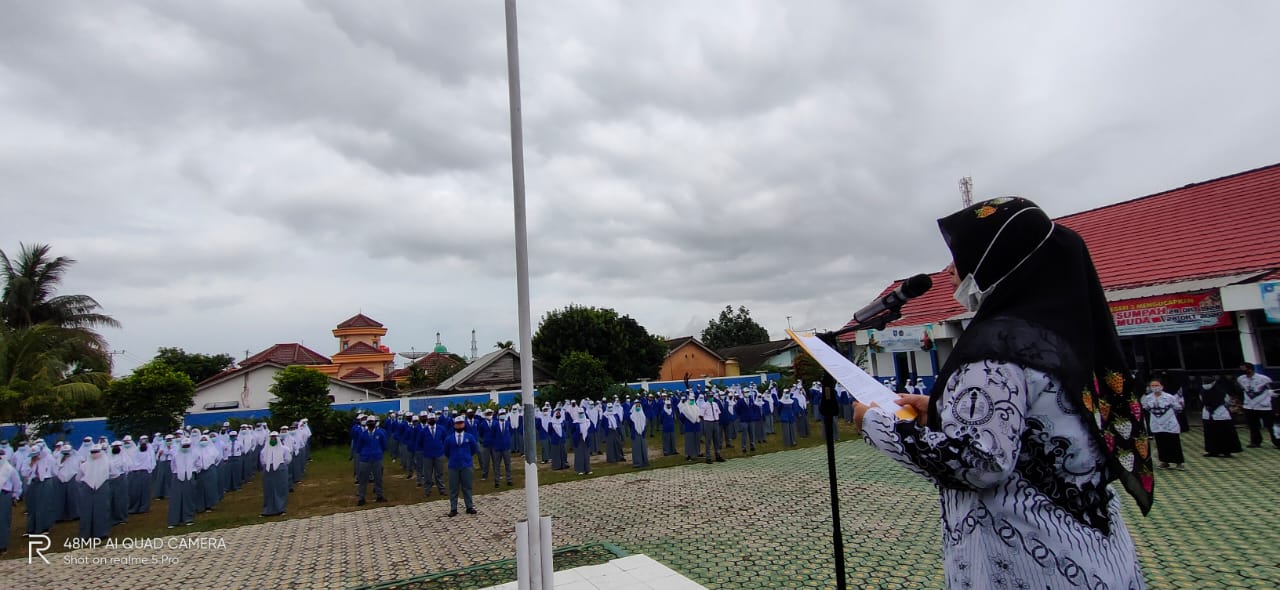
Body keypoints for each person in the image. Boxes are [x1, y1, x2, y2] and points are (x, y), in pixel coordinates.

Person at [856, 197, 1149, 588]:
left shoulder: (994, 350)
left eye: (959, 258)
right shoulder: (1054, 334)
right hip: (1093, 547)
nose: (949, 274)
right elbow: (1036, 421)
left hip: (1027, 558)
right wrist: (941, 409)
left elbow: (982, 463)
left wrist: (876, 424)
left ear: (994, 262)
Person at [1142, 378, 1185, 469]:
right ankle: (1164, 461)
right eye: (1152, 386)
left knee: (1174, 442)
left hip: (1170, 423)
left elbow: (1178, 407)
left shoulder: (1169, 397)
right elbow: (1145, 408)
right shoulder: (1147, 398)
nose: (1154, 387)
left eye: (1156, 385)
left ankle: (1179, 462)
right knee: (1160, 443)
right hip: (1156, 423)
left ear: (1161, 386)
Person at [444, 415, 479, 516]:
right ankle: (453, 508)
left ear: (464, 424)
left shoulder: (469, 437)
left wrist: (466, 457)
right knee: (453, 488)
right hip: (453, 466)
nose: (459, 426)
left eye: (461, 423)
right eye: (457, 424)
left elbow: (474, 449)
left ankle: (469, 506)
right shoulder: (449, 439)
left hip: (466, 465)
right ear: (454, 425)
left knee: (467, 487)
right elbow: (446, 452)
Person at [1198, 375, 1242, 457]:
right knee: (1210, 434)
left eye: (1207, 383)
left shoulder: (1221, 391)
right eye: (1204, 382)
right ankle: (1212, 450)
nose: (1205, 384)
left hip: (1221, 414)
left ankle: (1226, 451)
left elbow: (1227, 401)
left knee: (1224, 433)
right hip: (1208, 415)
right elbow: (1201, 400)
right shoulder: (1202, 391)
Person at [76, 444, 112, 540]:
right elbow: (78, 478)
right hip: (87, 488)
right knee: (86, 511)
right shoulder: (84, 465)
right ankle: (85, 534)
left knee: (102, 510)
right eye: (92, 452)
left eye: (97, 452)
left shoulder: (107, 463)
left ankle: (101, 532)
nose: (95, 454)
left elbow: (114, 473)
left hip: (102, 487)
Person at [1237, 362, 1276, 448]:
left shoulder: (1264, 379)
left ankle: (1277, 441)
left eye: (1244, 369)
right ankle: (1255, 442)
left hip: (1264, 406)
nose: (1242, 371)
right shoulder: (1241, 379)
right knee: (1253, 426)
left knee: (1271, 425)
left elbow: (1272, 391)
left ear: (1250, 369)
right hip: (1249, 406)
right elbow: (1241, 389)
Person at [354, 417, 388, 506]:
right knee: (363, 479)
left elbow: (384, 445)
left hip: (377, 458)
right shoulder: (363, 434)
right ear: (367, 424)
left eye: (372, 422)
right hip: (365, 459)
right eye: (369, 422)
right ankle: (361, 498)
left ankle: (379, 496)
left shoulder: (380, 433)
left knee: (378, 478)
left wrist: (378, 452)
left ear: (375, 423)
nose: (370, 424)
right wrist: (364, 453)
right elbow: (359, 447)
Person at [167, 438, 198, 528]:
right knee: (176, 498)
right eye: (184, 446)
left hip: (189, 476)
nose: (185, 447)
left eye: (187, 446)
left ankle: (188, 519)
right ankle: (174, 521)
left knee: (188, 498)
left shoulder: (194, 454)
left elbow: (197, 465)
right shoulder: (176, 455)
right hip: (177, 476)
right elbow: (172, 466)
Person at [260, 431, 291, 517]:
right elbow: (262, 461)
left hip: (280, 469)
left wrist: (280, 466)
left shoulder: (285, 449)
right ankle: (268, 510)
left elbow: (287, 460)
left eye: (275, 437)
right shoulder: (264, 450)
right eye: (271, 437)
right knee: (268, 489)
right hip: (268, 470)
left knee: (280, 488)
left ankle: (280, 509)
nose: (273, 439)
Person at [418, 413, 447, 496]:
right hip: (427, 455)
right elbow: (420, 443)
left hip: (439, 454)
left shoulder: (441, 429)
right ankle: (428, 491)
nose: (432, 420)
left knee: (439, 473)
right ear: (428, 420)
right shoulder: (423, 431)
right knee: (427, 473)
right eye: (430, 419)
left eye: (433, 419)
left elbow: (445, 439)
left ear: (436, 419)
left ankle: (442, 489)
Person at [0, 448, 21, 554]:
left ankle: (2, 545)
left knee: (3, 521)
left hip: (4, 495)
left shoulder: (9, 469)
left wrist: (15, 496)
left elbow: (17, 484)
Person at [489, 409, 514, 486]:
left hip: (506, 447)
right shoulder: (495, 424)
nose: (503, 415)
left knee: (508, 464)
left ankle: (509, 480)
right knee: (496, 465)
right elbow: (492, 435)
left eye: (504, 413)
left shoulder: (507, 423)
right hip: (497, 448)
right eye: (501, 414)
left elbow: (511, 432)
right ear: (498, 415)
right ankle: (497, 481)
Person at [699, 395, 725, 463]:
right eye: (709, 396)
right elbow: (701, 415)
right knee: (708, 440)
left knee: (717, 440)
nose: (711, 398)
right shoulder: (704, 405)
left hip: (716, 422)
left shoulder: (715, 404)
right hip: (708, 423)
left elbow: (718, 412)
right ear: (707, 397)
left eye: (712, 396)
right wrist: (706, 421)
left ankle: (718, 455)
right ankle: (708, 457)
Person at [572, 410, 594, 475]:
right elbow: (572, 431)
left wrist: (587, 434)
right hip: (578, 439)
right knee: (579, 454)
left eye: (582, 413)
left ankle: (588, 469)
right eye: (579, 413)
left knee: (586, 455)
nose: (581, 414)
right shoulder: (575, 422)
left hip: (586, 439)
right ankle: (580, 470)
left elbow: (591, 429)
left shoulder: (588, 421)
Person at [629, 401, 649, 467]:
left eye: (639, 406)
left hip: (642, 434)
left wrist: (644, 431)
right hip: (635, 434)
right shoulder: (631, 417)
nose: (638, 408)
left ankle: (645, 462)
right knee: (636, 449)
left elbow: (646, 425)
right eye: (636, 406)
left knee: (643, 448)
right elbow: (630, 425)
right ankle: (637, 463)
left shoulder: (643, 416)